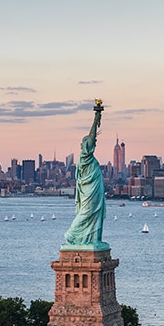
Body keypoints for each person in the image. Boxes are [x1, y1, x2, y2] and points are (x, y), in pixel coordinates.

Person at [63, 100, 108, 249]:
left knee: (95, 214)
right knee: (86, 213)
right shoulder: (84, 157)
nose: (93, 143)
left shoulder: (90, 159)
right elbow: (91, 137)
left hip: (94, 191)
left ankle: (94, 239)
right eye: (90, 142)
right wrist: (97, 117)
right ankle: (71, 235)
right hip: (89, 192)